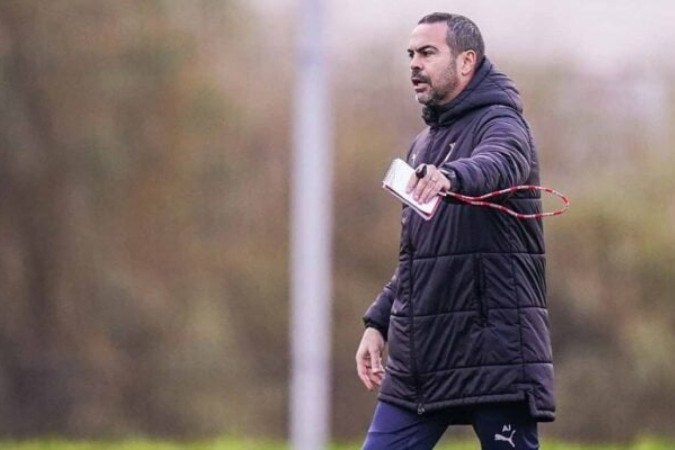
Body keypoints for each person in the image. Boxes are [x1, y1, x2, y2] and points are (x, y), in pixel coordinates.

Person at [355, 13, 555, 450]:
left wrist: (453, 176)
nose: (414, 64)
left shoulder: (503, 122)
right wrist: (378, 323)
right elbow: (419, 256)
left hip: (494, 357)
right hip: (420, 364)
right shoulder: (423, 144)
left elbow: (501, 161)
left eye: (427, 53)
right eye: (411, 54)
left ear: (467, 62)